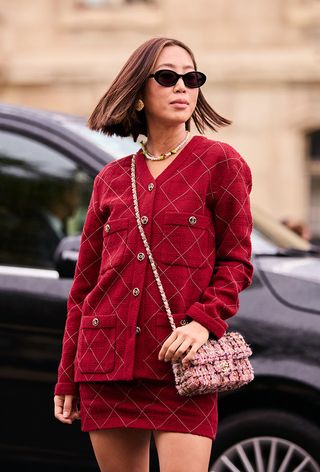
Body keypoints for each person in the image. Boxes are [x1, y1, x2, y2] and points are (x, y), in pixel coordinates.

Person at [54, 37, 254, 472]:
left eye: (192, 78)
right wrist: (67, 373)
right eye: (167, 77)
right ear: (140, 92)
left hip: (181, 369)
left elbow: (237, 261)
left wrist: (205, 322)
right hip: (106, 362)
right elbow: (85, 286)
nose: (182, 86)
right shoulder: (110, 178)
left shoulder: (220, 162)